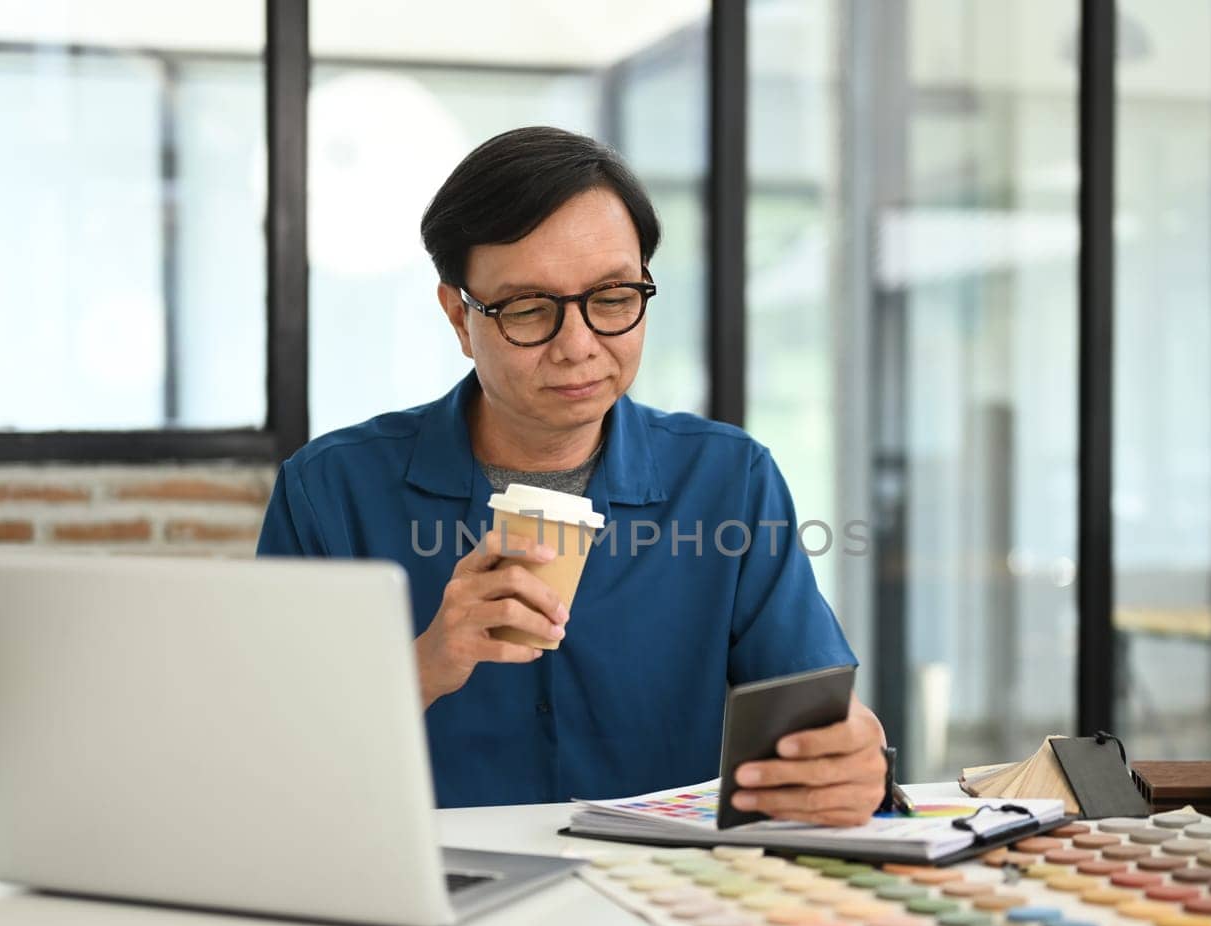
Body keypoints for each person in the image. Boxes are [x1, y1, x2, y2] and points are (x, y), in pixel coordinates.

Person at [257, 126, 888, 825]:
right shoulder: (332, 493)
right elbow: (267, 757)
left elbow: (813, 722)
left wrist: (851, 763)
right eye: (530, 310)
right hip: (423, 902)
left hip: (669, 898)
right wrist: (427, 662)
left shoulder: (729, 482)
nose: (579, 346)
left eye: (614, 298)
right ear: (459, 318)